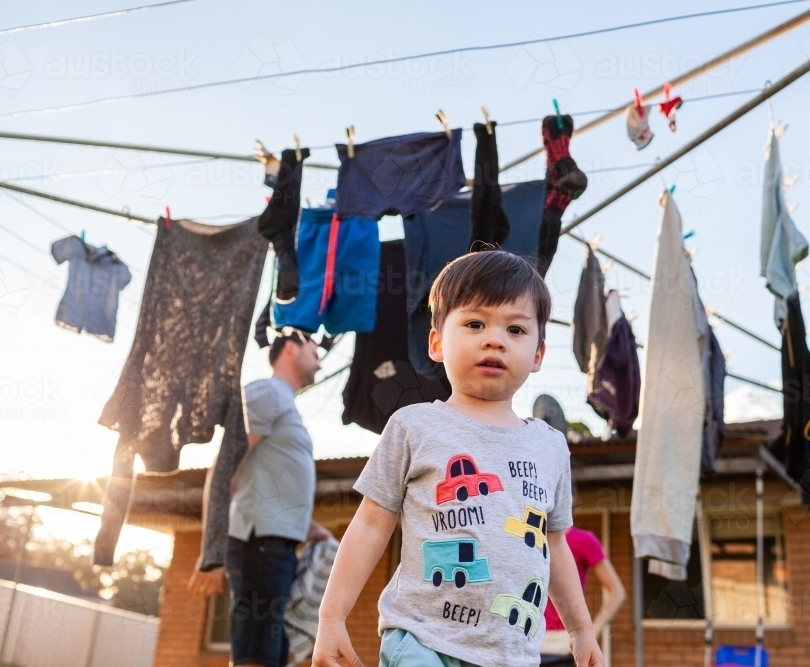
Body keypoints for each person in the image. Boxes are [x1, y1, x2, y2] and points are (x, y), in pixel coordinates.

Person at [314, 250, 604, 667]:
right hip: (421, 641)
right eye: (474, 323)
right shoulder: (414, 426)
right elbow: (370, 525)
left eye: (516, 329)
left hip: (513, 655)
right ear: (436, 342)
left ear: (538, 354)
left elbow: (553, 543)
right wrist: (331, 616)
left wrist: (581, 630)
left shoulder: (551, 446)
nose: (494, 339)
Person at [193, 327, 330, 667]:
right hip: (259, 547)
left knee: (272, 656)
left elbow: (264, 484)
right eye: (315, 349)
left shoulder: (283, 402)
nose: (321, 362)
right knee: (258, 657)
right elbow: (226, 469)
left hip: (276, 547)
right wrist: (211, 555)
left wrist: (309, 527)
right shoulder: (266, 392)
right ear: (290, 347)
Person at [539, 517, 627, 666]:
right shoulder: (525, 537)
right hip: (527, 642)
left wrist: (592, 630)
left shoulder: (583, 540)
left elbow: (616, 591)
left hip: (564, 646)